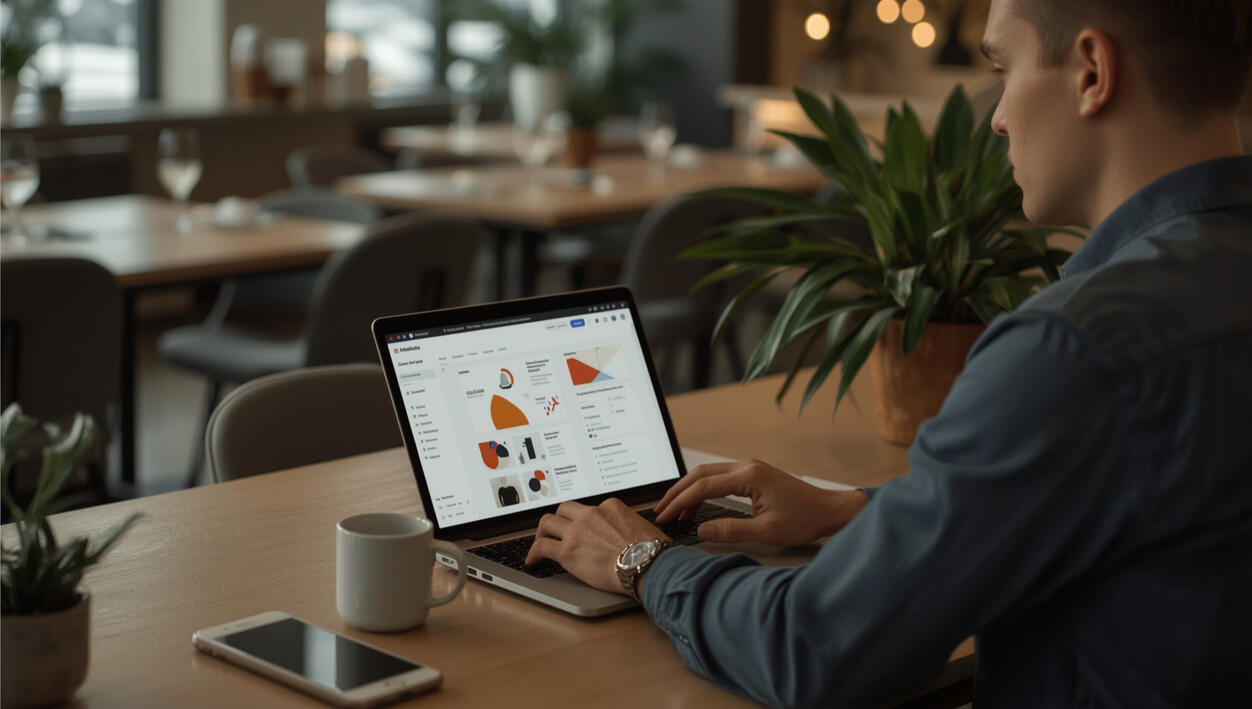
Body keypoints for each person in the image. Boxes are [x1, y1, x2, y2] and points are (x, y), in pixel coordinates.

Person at [526, 0, 1252, 705]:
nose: (996, 116)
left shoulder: (1075, 349)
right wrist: (850, 510)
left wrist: (642, 560)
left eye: (1003, 68)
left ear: (1092, 70)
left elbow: (814, 646)